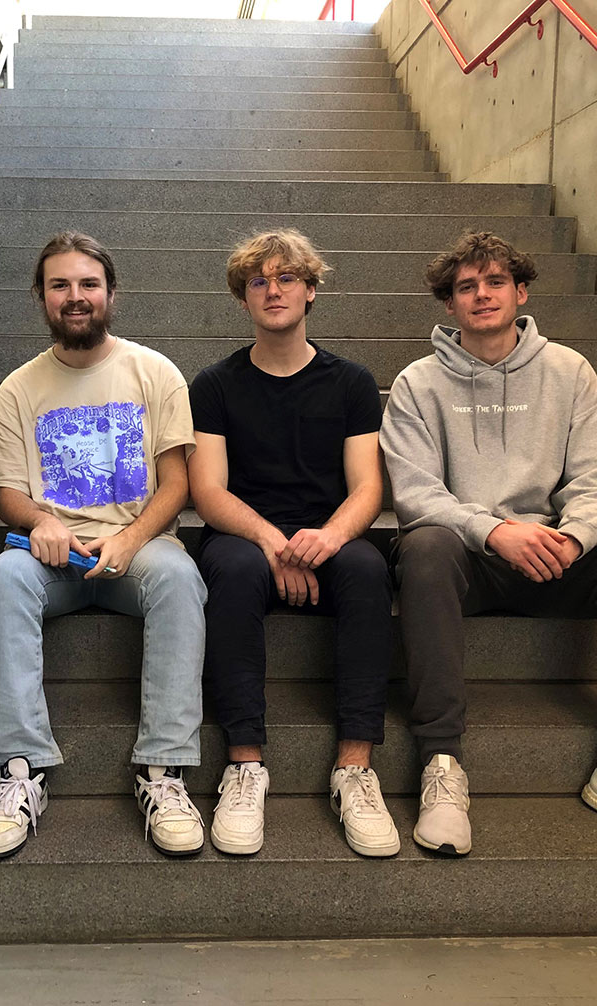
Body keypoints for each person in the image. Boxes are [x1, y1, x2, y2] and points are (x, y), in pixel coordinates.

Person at [380, 230, 597, 857]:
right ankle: (441, 762)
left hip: (555, 558)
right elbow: (414, 493)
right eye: (466, 287)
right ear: (449, 305)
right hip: (469, 560)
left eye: (495, 282)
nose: (482, 295)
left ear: (520, 292)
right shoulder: (416, 384)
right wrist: (493, 530)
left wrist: (571, 540)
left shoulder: (569, 371)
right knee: (424, 547)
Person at [0, 231, 206, 859]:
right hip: (54, 556)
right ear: (42, 296)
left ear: (109, 293)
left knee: (181, 579)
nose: (76, 297)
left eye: (88, 284)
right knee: (3, 579)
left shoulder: (153, 372)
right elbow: (10, 494)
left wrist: (130, 539)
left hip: (138, 547)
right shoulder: (19, 389)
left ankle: (164, 771)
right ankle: (21, 772)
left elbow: (177, 484)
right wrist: (40, 522)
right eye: (60, 285)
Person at [188, 229, 398, 858]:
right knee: (228, 571)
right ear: (243, 298)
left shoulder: (352, 383)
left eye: (286, 278)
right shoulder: (215, 384)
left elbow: (367, 488)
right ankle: (245, 764)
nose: (272, 289)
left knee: (366, 571)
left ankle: (354, 768)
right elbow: (208, 492)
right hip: (244, 532)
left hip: (328, 534)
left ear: (310, 290)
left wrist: (329, 537)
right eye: (259, 280)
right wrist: (273, 542)